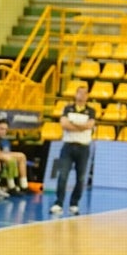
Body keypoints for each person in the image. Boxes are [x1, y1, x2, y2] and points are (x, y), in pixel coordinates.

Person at [50, 84, 96, 215]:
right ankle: (58, 203)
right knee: (62, 175)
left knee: (80, 178)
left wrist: (72, 124)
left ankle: (74, 204)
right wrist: (81, 126)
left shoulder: (91, 111)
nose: (81, 95)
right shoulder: (67, 108)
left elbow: (90, 125)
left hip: (83, 148)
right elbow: (63, 124)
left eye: (84, 93)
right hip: (68, 147)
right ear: (76, 94)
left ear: (87, 96)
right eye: (79, 93)